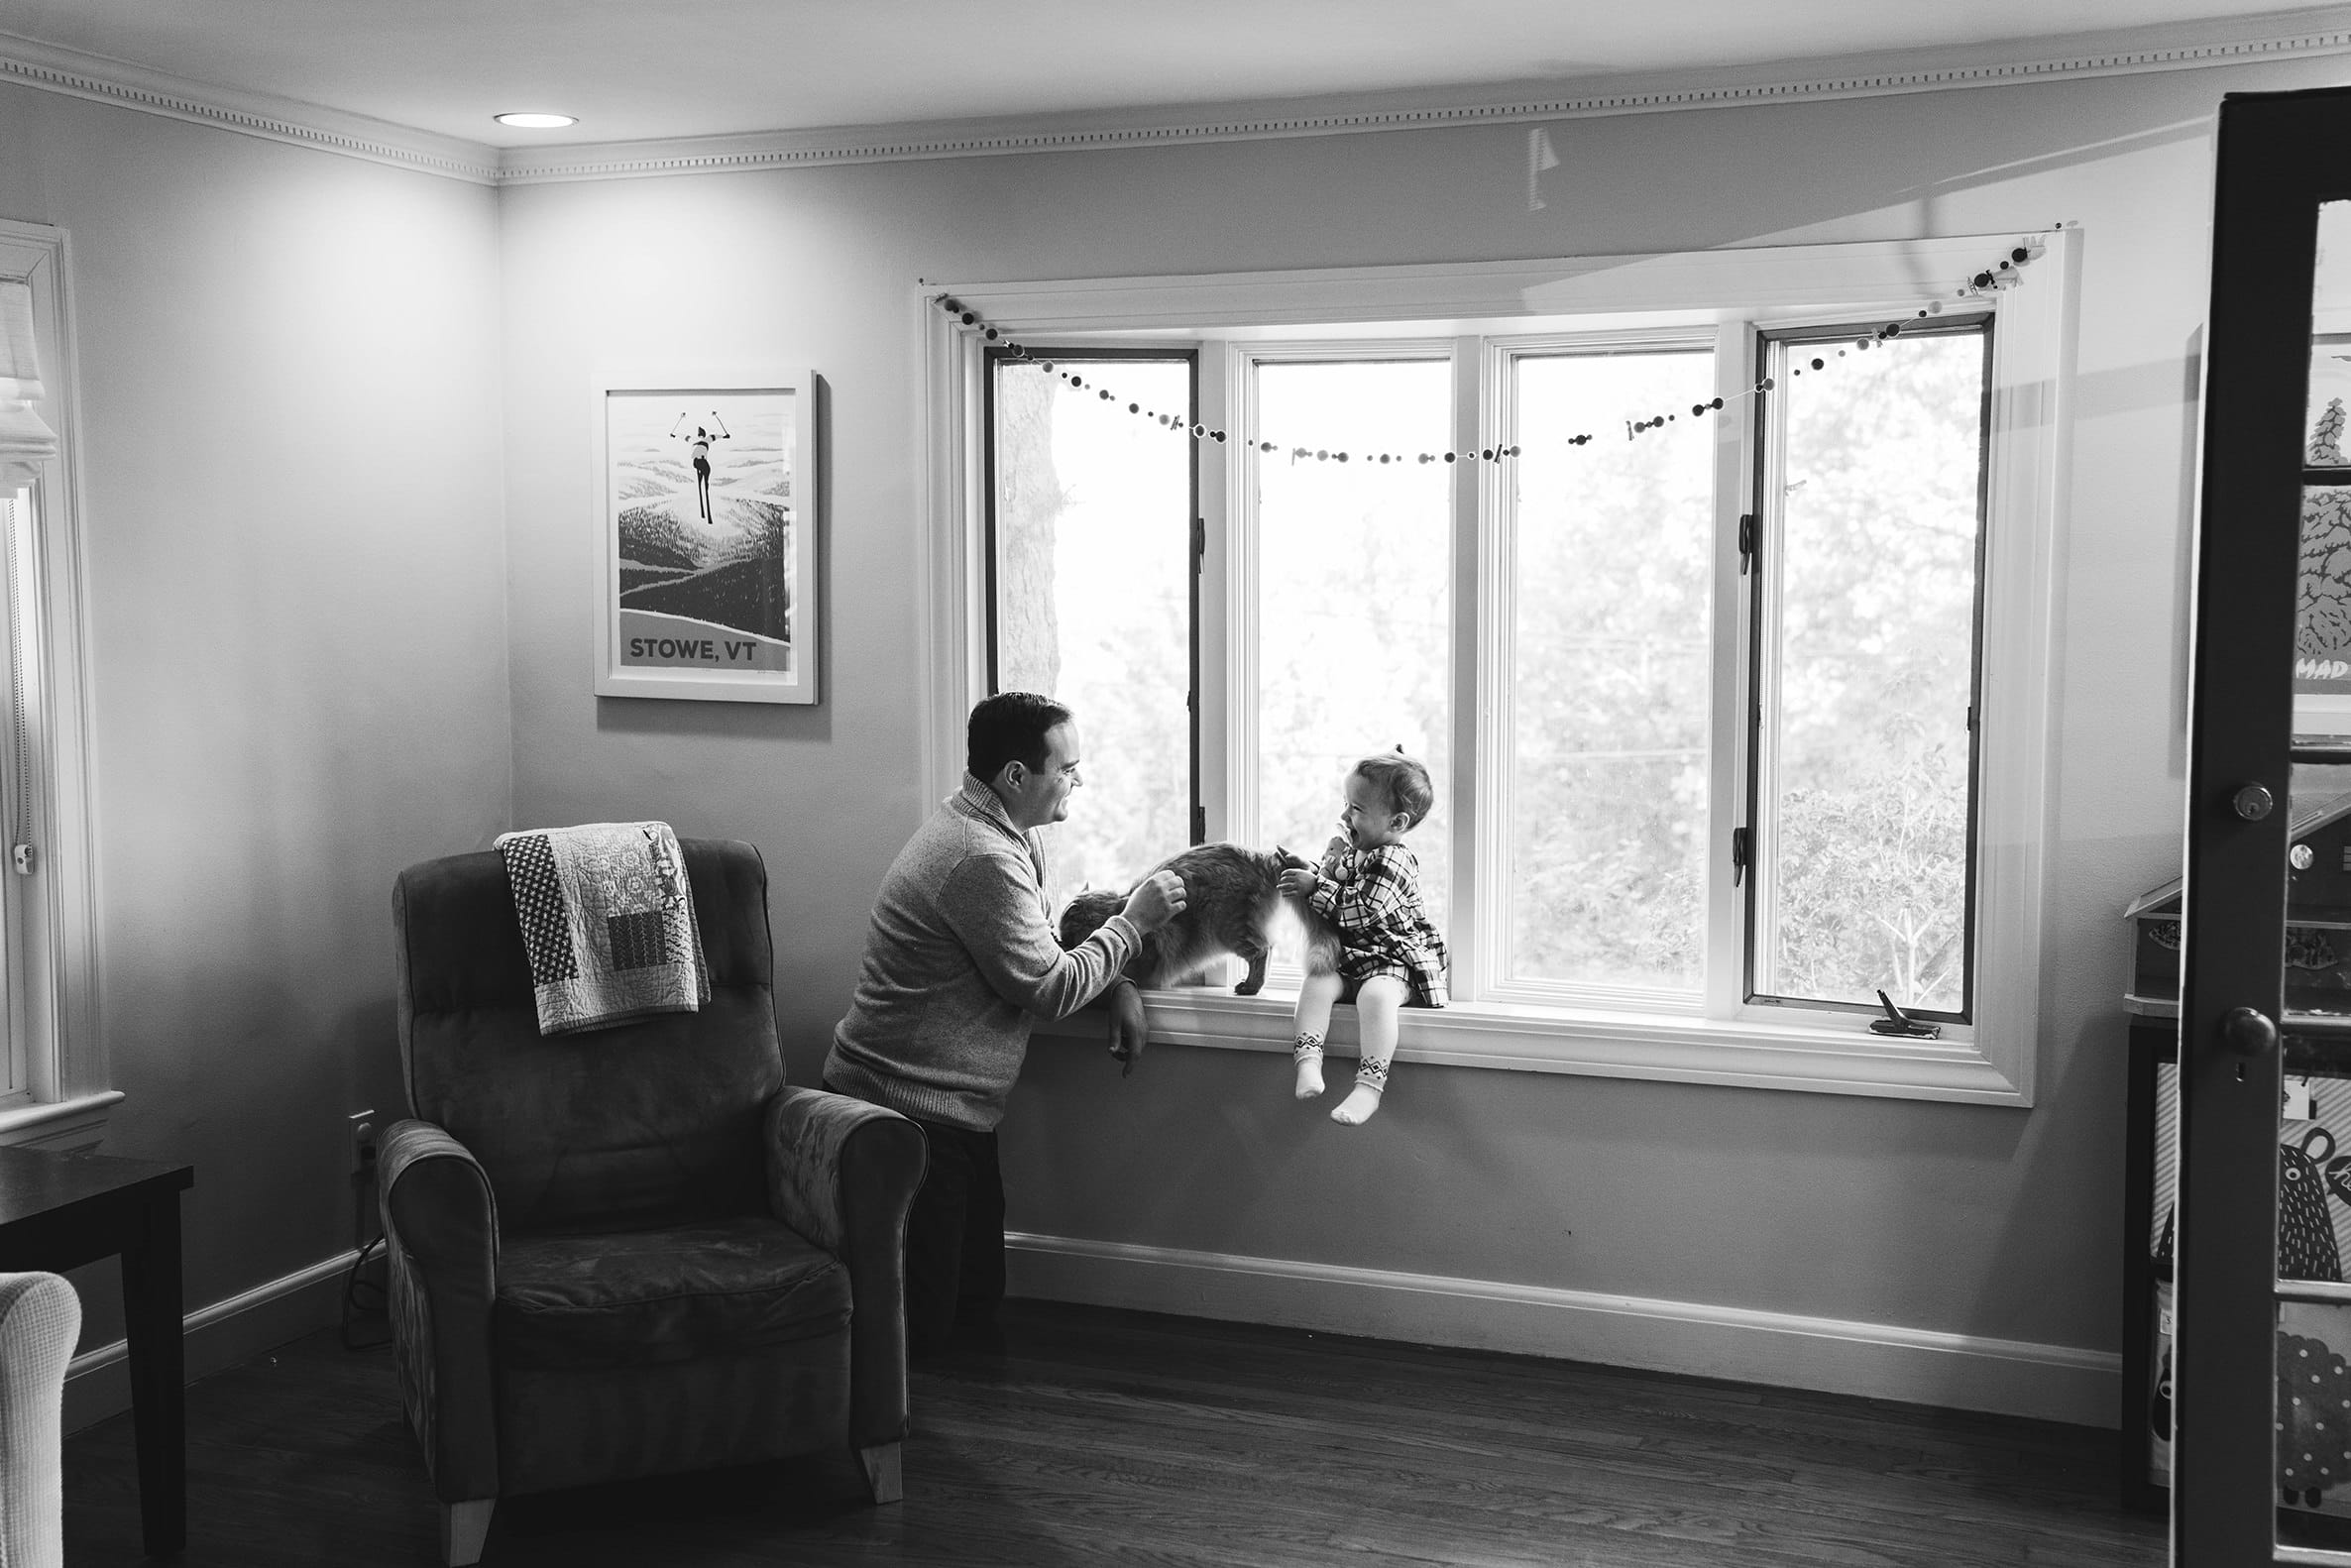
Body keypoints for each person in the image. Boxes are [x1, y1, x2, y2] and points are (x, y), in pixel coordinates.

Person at [824, 691, 1186, 1355]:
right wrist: (1133, 923)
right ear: (1017, 776)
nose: (1079, 780)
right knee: (928, 1329)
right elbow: (1048, 988)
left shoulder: (1008, 835)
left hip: (952, 1109)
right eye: (1067, 769)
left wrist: (1121, 982)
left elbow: (1037, 949)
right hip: (906, 1110)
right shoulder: (980, 857)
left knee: (975, 1305)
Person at [1276, 750, 1450, 1126]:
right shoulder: (1356, 852)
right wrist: (1310, 871)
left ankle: (1369, 1087)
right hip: (1352, 958)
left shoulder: (1395, 860)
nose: (1344, 816)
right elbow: (1335, 878)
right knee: (1317, 982)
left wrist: (1314, 888)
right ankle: (1308, 1061)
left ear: (1396, 822)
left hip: (1392, 960)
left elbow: (1360, 909)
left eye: (1355, 808)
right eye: (1345, 804)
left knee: (1375, 997)